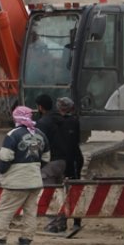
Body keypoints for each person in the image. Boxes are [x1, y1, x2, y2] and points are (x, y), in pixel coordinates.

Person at [0, 105, 50, 245]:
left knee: (5, 212)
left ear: (16, 117)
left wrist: (3, 172)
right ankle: (25, 244)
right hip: (34, 181)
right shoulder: (40, 134)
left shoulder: (12, 135)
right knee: (30, 213)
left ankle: (0, 243)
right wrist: (33, 169)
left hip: (16, 182)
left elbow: (5, 157)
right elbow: (46, 158)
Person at [43, 96, 85, 233]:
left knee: (58, 191)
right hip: (73, 159)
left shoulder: (51, 121)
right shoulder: (73, 121)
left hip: (59, 159)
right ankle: (76, 221)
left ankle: (60, 222)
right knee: (73, 189)